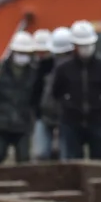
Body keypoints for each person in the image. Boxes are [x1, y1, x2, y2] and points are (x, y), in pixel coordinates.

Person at [51, 20, 101, 160]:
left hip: (96, 120)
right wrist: (68, 104)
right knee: (73, 160)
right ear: (75, 46)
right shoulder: (63, 69)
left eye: (88, 45)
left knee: (99, 158)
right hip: (71, 122)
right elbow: (56, 92)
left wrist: (100, 105)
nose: (85, 48)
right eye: (82, 45)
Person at [0, 31, 39, 163]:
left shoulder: (34, 72)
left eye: (26, 53)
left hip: (23, 123)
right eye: (20, 53)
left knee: (24, 159)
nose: (23, 56)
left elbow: (36, 97)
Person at [32, 27, 73, 161]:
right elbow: (36, 91)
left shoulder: (76, 68)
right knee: (41, 153)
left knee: (65, 155)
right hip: (45, 115)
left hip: (67, 117)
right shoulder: (44, 67)